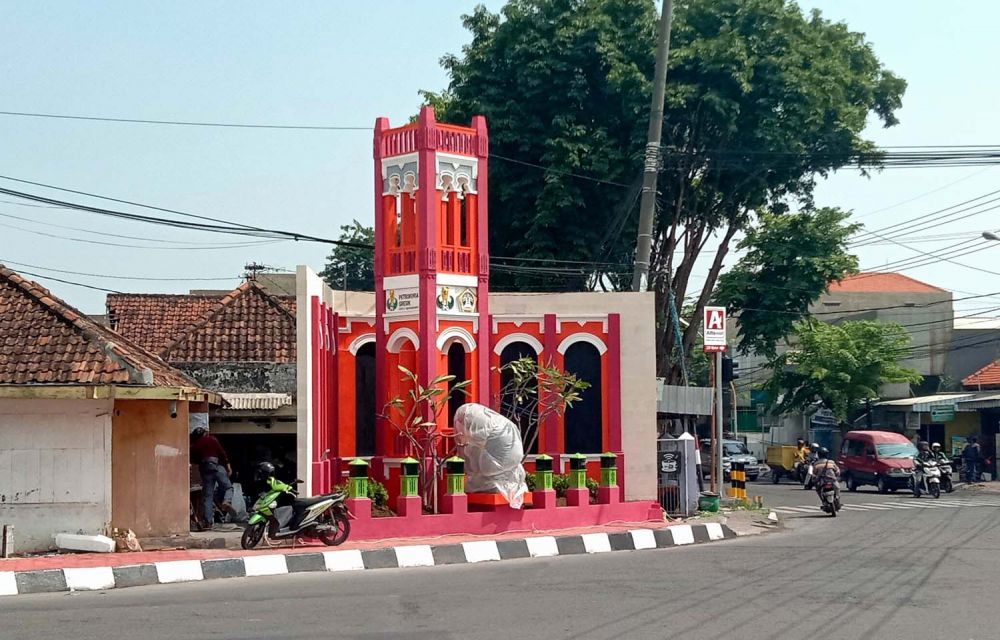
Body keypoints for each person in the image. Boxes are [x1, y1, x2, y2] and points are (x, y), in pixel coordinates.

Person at [191, 427, 235, 529]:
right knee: (228, 487)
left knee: (208, 496)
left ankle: (208, 522)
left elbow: (194, 460)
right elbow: (221, 453)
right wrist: (228, 465)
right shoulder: (212, 439)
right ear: (204, 433)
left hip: (205, 469)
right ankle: (226, 501)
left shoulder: (195, 446)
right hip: (217, 466)